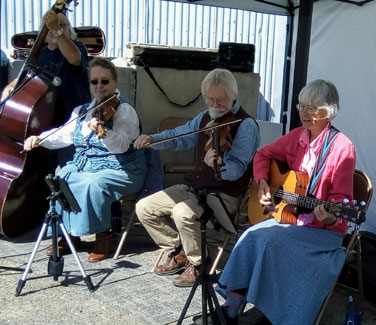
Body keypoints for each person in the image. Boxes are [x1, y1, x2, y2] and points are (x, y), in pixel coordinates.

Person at [214, 80, 356, 324]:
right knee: (250, 235)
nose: (304, 113)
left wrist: (332, 215)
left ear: (328, 111)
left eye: (312, 108)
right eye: (302, 106)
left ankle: (275, 314)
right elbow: (263, 154)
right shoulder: (296, 137)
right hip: (292, 219)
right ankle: (232, 306)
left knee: (269, 241)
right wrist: (262, 182)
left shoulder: (343, 148)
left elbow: (342, 200)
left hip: (321, 230)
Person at [134, 69, 260, 287]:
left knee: (182, 212)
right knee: (145, 207)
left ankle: (199, 263)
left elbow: (238, 168)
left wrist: (220, 163)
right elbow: (178, 137)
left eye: (221, 100)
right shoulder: (205, 117)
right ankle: (179, 250)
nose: (215, 104)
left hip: (225, 194)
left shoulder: (246, 125)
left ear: (233, 95)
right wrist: (152, 139)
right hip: (196, 187)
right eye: (210, 99)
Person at [23, 57, 147, 262]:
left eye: (105, 81)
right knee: (62, 176)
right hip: (88, 164)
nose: (99, 86)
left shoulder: (124, 110)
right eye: (94, 81)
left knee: (92, 183)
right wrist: (40, 138)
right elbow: (64, 134)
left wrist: (104, 131)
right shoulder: (82, 111)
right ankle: (70, 233)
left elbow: (123, 145)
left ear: (115, 82)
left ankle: (103, 235)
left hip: (123, 168)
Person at [1, 9, 91, 166]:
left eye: (64, 25)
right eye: (51, 26)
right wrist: (10, 87)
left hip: (71, 123)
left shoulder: (77, 48)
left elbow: (75, 59)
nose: (58, 28)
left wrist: (56, 28)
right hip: (44, 123)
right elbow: (25, 76)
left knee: (70, 169)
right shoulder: (40, 53)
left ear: (70, 31)